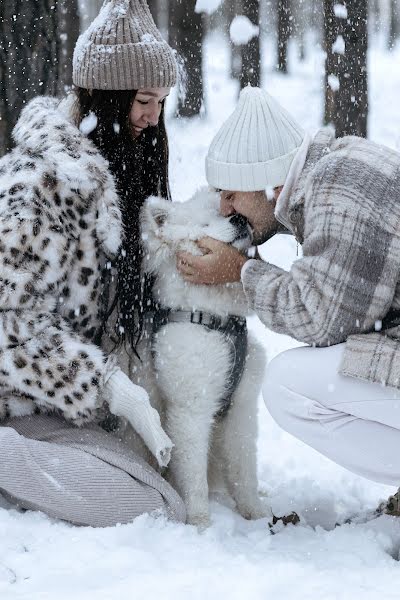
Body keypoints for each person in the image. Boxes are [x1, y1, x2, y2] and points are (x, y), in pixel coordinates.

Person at [0, 0, 186, 527]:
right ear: (109, 96)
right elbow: (10, 329)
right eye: (145, 100)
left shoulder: (113, 173)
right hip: (18, 400)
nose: (153, 118)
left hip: (57, 409)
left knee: (155, 491)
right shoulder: (35, 187)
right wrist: (110, 387)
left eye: (161, 102)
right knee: (152, 503)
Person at [177, 85, 400, 522]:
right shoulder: (337, 170)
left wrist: (239, 271)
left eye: (229, 193)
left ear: (269, 182)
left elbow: (323, 320)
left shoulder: (340, 191)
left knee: (289, 385)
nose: (224, 209)